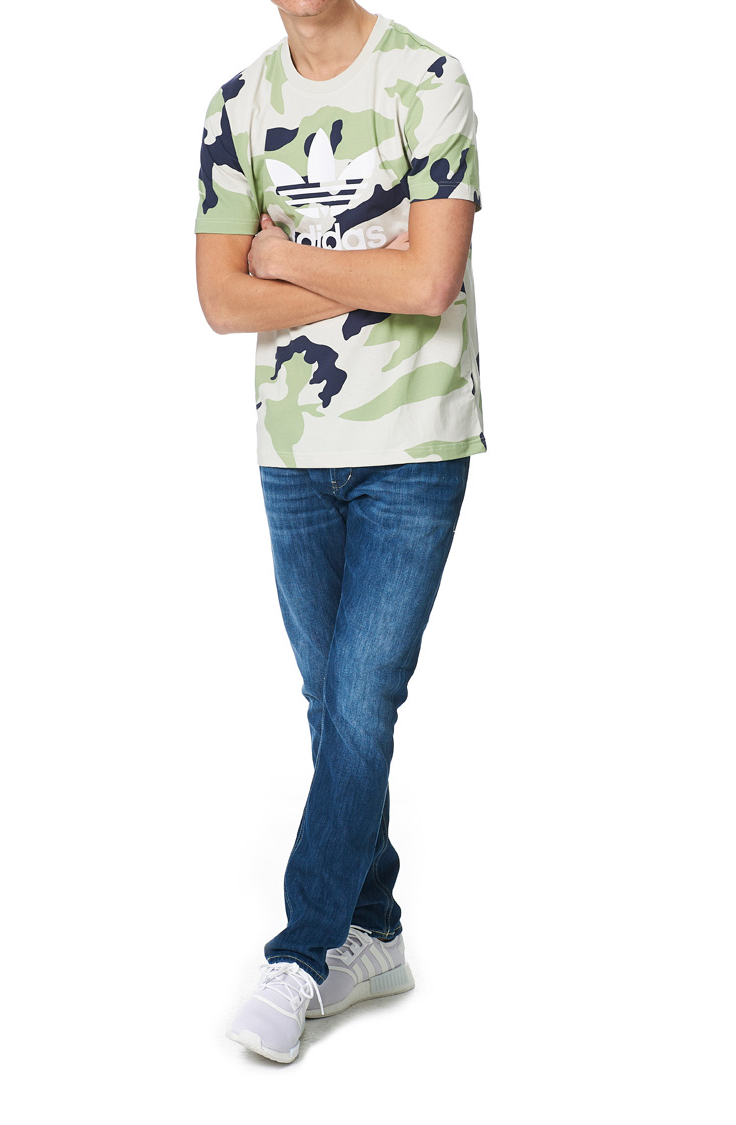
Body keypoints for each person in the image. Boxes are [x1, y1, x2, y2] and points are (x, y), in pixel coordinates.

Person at [194, 0, 485, 1064]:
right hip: (292, 445)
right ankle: (379, 930)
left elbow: (429, 281)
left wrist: (284, 260)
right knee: (333, 703)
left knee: (363, 697)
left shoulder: (429, 80)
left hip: (415, 440)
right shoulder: (237, 105)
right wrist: (358, 270)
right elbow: (220, 302)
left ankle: (303, 949)